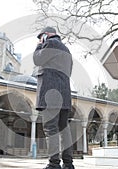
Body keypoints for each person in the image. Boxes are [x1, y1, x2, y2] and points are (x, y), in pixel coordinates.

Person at [33, 26, 74, 169]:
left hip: (51, 93)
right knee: (64, 129)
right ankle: (68, 164)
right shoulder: (67, 50)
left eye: (41, 37)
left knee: (51, 128)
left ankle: (54, 164)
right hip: (64, 94)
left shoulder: (50, 43)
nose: (40, 40)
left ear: (47, 35)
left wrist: (39, 46)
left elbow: (37, 60)